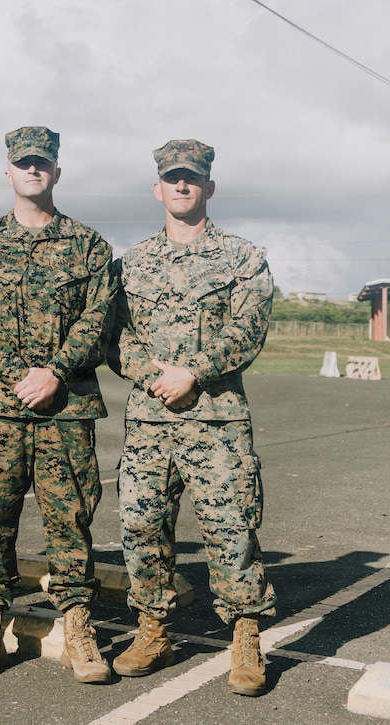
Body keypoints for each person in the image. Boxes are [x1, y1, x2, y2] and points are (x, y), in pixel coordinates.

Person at [108, 139, 275, 697]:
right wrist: (155, 376)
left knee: (231, 531)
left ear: (209, 186)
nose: (182, 186)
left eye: (192, 178)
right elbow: (115, 337)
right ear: (157, 188)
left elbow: (248, 330)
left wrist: (192, 372)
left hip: (217, 421)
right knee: (140, 527)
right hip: (149, 421)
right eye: (172, 178)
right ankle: (153, 629)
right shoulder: (130, 264)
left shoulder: (243, 257)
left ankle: (246, 637)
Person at [0, 127, 116, 684]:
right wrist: (19, 376)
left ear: (56, 172)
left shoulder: (91, 247)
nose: (32, 171)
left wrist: (54, 372)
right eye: (23, 163)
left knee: (70, 521)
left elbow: (98, 322)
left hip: (65, 408)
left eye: (41, 163)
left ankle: (79, 629)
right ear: (8, 172)